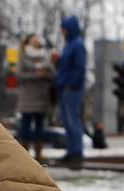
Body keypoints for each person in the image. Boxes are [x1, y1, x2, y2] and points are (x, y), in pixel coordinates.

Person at [53, 16, 87, 166]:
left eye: (64, 29)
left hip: (72, 89)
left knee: (73, 120)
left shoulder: (78, 45)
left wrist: (71, 85)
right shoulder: (69, 45)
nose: (62, 32)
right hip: (64, 88)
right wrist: (58, 60)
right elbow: (66, 66)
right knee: (67, 122)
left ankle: (77, 152)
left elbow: (80, 68)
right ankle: (71, 151)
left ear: (70, 29)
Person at [16, 33, 54, 162]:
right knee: (25, 125)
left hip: (42, 97)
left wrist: (45, 73)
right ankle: (24, 154)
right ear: (27, 42)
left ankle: (38, 154)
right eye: (32, 39)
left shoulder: (45, 56)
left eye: (37, 39)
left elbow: (53, 73)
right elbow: (19, 75)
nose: (35, 41)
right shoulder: (23, 55)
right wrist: (36, 75)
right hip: (27, 97)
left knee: (40, 126)